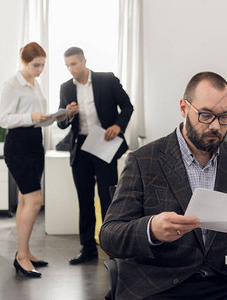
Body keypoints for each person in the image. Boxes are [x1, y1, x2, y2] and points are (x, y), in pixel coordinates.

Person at [99, 72, 227, 300]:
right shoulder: (144, 160)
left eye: (225, 116)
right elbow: (109, 235)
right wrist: (151, 229)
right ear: (184, 109)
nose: (216, 125)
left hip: (224, 283)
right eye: (206, 115)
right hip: (160, 284)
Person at [57, 47, 133, 265]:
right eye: (67, 65)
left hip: (104, 143)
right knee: (84, 199)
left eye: (74, 64)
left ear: (84, 61)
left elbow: (128, 107)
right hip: (80, 147)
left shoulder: (107, 80)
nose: (71, 69)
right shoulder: (65, 88)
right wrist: (67, 115)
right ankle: (88, 248)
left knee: (108, 197)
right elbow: (61, 123)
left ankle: (112, 247)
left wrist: (118, 126)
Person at [0, 42, 50, 278]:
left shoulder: (35, 84)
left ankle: (26, 252)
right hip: (18, 145)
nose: (40, 70)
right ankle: (21, 257)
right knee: (34, 200)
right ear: (24, 62)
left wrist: (55, 116)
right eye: (35, 65)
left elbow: (37, 119)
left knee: (23, 201)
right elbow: (3, 119)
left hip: (35, 142)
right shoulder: (11, 84)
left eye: (42, 65)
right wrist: (31, 116)